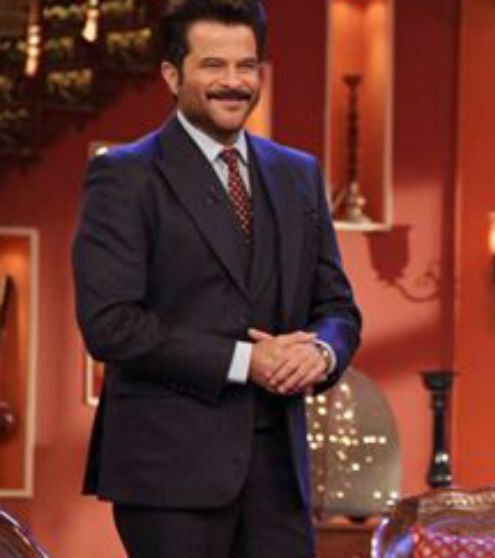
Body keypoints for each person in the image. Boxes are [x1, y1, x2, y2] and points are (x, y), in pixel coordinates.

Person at [71, 0, 362, 556]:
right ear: (171, 75)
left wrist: (321, 353)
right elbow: (110, 324)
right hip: (168, 475)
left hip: (280, 477)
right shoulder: (124, 175)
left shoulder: (299, 174)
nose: (234, 82)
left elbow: (338, 309)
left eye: (246, 66)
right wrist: (248, 361)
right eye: (213, 65)